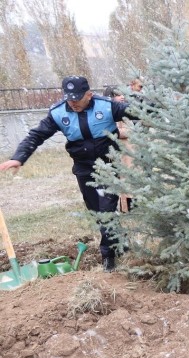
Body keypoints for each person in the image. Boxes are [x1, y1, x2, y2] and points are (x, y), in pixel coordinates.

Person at [0, 76, 133, 272]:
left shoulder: (107, 106)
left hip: (109, 166)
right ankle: (119, 242)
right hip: (83, 168)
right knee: (97, 212)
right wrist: (19, 157)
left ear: (89, 94)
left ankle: (108, 258)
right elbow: (37, 135)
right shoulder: (58, 112)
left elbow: (140, 111)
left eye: (77, 98)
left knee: (106, 211)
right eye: (69, 98)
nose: (73, 102)